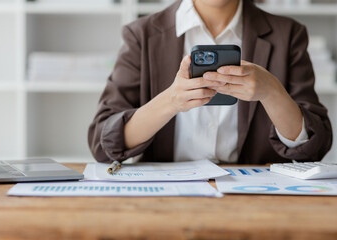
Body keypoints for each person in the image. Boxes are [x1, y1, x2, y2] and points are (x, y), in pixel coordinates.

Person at [88, 0, 332, 164]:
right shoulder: (142, 35)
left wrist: (272, 93)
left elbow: (315, 147)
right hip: (167, 200)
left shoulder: (288, 34)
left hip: (256, 200)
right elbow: (102, 142)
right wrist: (170, 102)